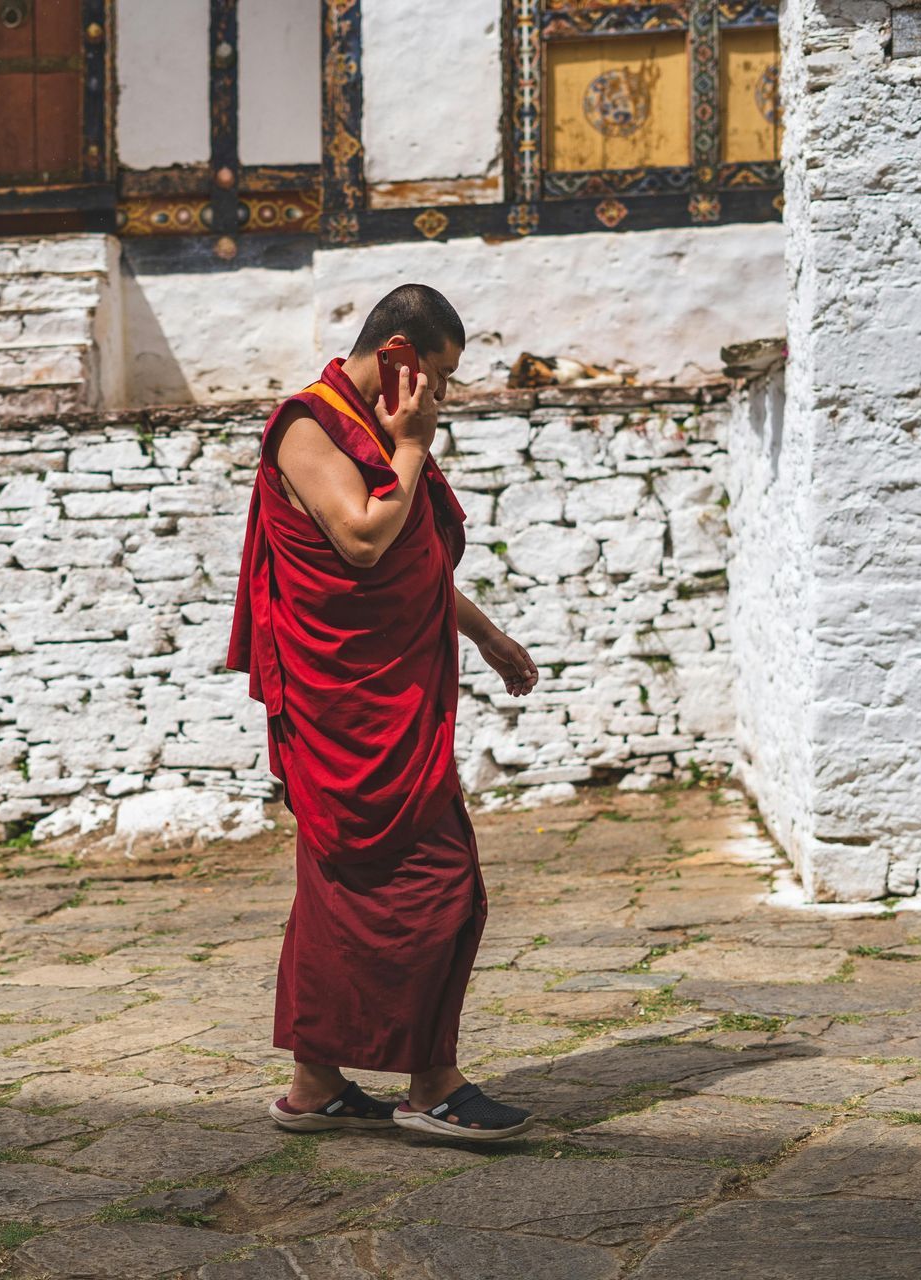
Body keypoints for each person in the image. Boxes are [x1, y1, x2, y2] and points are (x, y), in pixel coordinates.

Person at [227, 283, 541, 1140]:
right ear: (398, 355)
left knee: (334, 894)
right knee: (442, 886)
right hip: (347, 712)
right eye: (438, 376)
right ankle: (432, 1083)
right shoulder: (308, 427)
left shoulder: (365, 429)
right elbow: (364, 539)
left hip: (386, 693)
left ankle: (315, 1084)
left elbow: (415, 560)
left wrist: (484, 635)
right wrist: (410, 447)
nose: (441, 396)